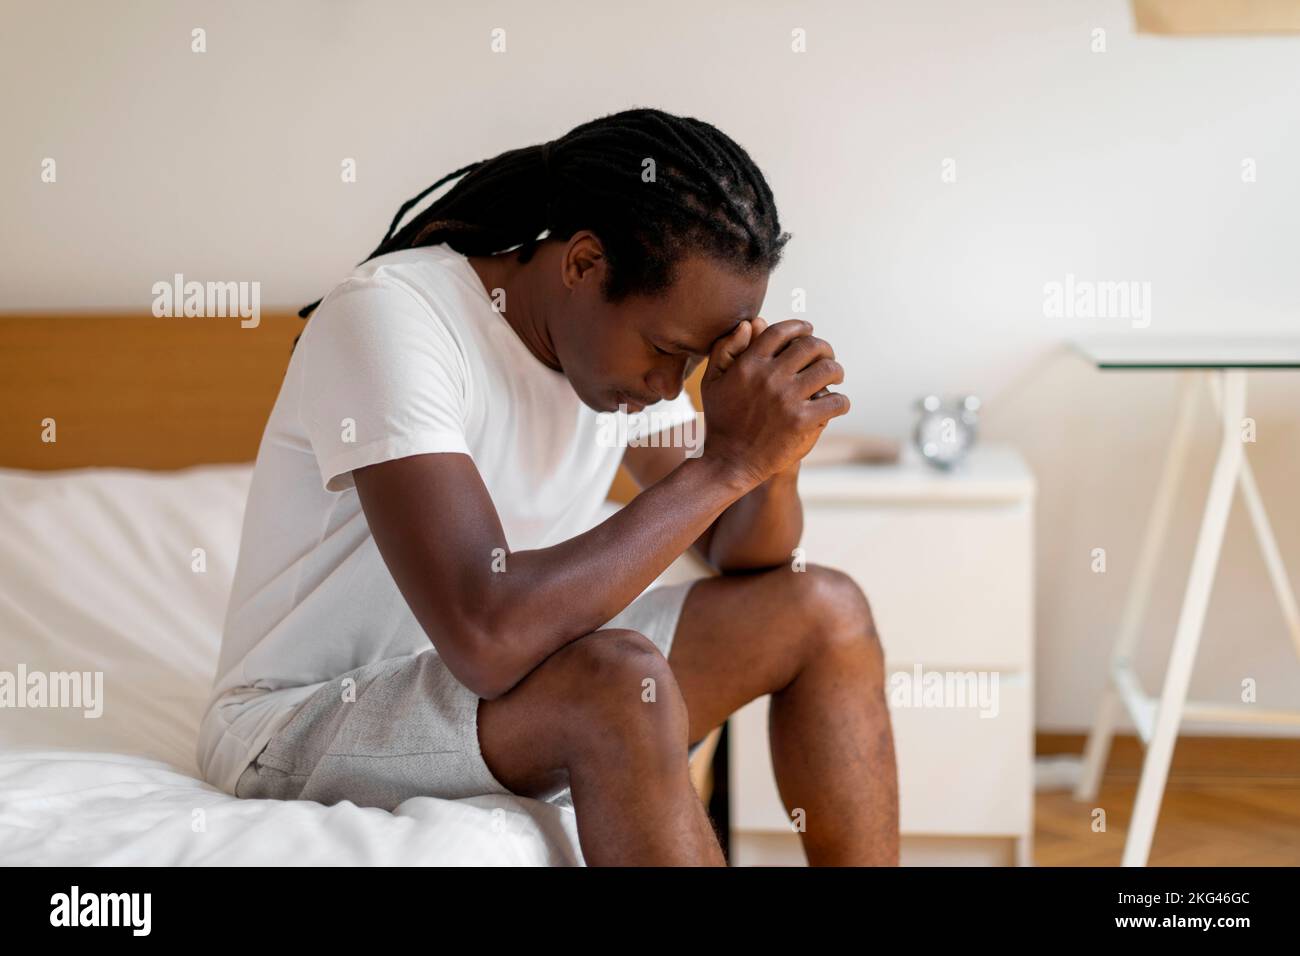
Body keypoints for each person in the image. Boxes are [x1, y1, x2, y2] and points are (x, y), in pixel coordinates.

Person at [198, 107, 898, 866]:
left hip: (507, 697)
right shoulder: (393, 319)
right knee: (619, 680)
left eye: (695, 363)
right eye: (665, 350)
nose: (670, 387)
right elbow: (488, 635)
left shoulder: (614, 361)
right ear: (583, 263)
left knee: (824, 610)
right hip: (303, 720)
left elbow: (743, 551)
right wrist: (725, 464)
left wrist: (772, 456)